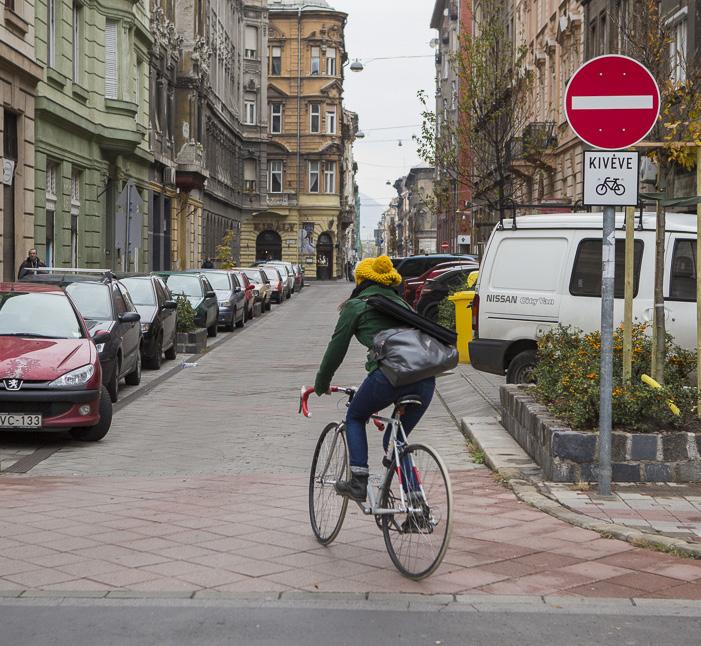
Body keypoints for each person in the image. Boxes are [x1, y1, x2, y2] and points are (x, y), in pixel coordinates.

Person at [314, 255, 435, 503]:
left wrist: (322, 383)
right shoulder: (403, 304)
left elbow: (336, 349)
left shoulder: (357, 306)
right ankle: (416, 505)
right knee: (396, 440)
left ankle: (358, 481)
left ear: (361, 281)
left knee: (355, 416)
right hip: (426, 379)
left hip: (390, 376)